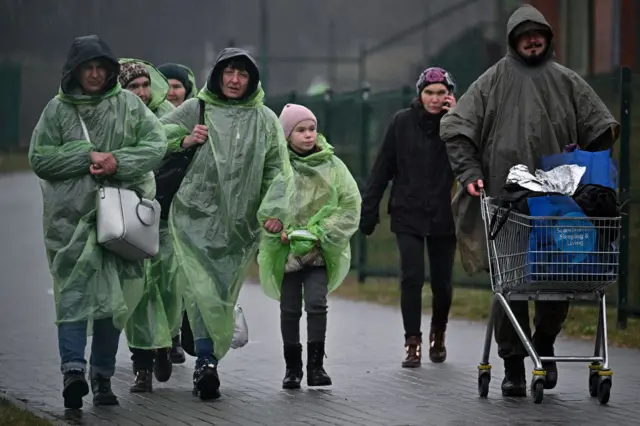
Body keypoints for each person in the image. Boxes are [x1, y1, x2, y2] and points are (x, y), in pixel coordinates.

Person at [440, 4, 620, 397]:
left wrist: (587, 168)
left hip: (560, 205)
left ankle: (544, 342)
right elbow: (456, 129)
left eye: (537, 33)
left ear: (547, 38)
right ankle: (513, 367)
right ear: (513, 41)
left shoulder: (567, 82)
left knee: (561, 280)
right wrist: (470, 174)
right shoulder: (491, 83)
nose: (531, 40)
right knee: (512, 285)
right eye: (524, 35)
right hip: (509, 205)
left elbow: (601, 128)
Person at [28, 35, 167, 409]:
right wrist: (86, 155)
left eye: (100, 68)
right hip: (69, 223)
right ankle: (73, 371)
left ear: (110, 71)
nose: (93, 74)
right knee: (72, 297)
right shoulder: (56, 111)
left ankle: (102, 377)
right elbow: (40, 159)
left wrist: (116, 162)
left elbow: (156, 145)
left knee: (113, 304)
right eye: (87, 67)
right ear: (74, 71)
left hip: (119, 221)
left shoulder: (128, 106)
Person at [159, 47, 291, 400]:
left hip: (239, 226)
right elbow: (153, 139)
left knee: (220, 294)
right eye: (229, 72)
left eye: (242, 74)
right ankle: (206, 360)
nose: (234, 80)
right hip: (192, 217)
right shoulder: (196, 108)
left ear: (252, 80)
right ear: (217, 74)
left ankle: (204, 351)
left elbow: (278, 169)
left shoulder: (264, 119)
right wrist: (184, 139)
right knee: (197, 287)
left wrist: (274, 211)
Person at [360, 67, 458, 368]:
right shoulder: (401, 123)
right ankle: (412, 342)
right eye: (429, 92)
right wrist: (370, 209)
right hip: (408, 211)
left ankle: (438, 332)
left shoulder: (458, 124)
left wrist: (456, 119)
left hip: (444, 213)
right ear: (420, 94)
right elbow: (382, 169)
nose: (434, 98)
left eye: (441, 93)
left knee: (442, 283)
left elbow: (471, 155)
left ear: (450, 96)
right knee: (411, 277)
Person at [257, 104, 361, 389]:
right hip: (286, 252)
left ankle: (316, 366)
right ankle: (293, 368)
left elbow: (349, 205)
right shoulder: (277, 166)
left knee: (317, 303)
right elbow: (264, 203)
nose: (307, 135)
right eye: (300, 130)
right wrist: (272, 224)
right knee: (290, 309)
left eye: (311, 129)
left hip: (318, 251)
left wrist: (320, 232)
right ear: (286, 135)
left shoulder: (332, 166)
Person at [118, 61, 183, 393]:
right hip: (129, 215)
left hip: (166, 214)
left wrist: (183, 144)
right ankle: (141, 366)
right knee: (137, 293)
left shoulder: (168, 115)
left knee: (169, 287)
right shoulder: (115, 119)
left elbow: (167, 143)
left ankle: (165, 343)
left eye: (145, 84)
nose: (142, 92)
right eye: (134, 87)